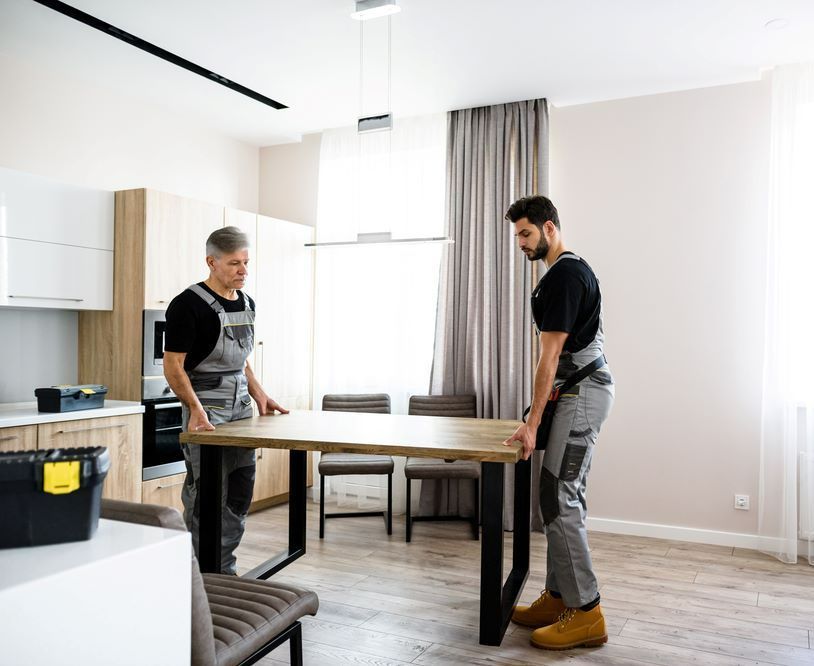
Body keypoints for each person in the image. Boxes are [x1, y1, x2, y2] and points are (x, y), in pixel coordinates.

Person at [503, 195, 615, 650]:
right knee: (556, 493)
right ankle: (557, 596)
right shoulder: (561, 274)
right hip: (575, 391)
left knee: (561, 494)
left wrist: (532, 422)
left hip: (583, 393)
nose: (521, 244)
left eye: (526, 234)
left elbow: (548, 359)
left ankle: (587, 612)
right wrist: (536, 414)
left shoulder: (566, 275)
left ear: (550, 228)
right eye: (517, 237)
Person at [163, 225, 288, 575]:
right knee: (207, 496)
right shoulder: (188, 305)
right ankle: (198, 576)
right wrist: (196, 410)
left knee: (239, 491)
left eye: (246, 263)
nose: (244, 271)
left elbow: (241, 359)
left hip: (241, 409)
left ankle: (224, 568)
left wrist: (260, 394)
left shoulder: (247, 302)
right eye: (235, 263)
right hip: (207, 405)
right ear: (211, 262)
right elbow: (172, 366)